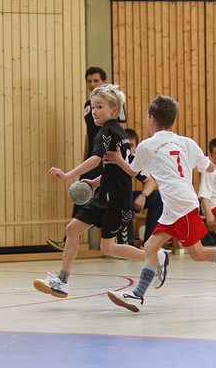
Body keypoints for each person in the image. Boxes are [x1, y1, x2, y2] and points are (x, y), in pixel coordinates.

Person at [104, 95, 216, 312]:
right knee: (151, 247)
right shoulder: (187, 142)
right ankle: (137, 294)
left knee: (197, 253)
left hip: (179, 204)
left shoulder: (147, 145)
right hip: (176, 204)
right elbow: (210, 168)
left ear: (151, 119)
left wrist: (117, 159)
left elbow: (133, 172)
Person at [34, 84, 167, 298]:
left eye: (99, 107)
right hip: (104, 194)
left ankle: (155, 257)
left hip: (116, 199)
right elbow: (113, 169)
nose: (94, 111)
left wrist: (67, 175)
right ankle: (62, 281)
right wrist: (96, 182)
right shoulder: (118, 132)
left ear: (114, 110)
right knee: (72, 230)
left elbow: (96, 160)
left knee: (108, 248)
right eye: (93, 107)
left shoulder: (106, 132)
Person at [46, 67, 127, 252]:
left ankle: (121, 241)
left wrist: (120, 155)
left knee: (110, 196)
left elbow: (119, 131)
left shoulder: (114, 111)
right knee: (83, 192)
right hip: (94, 155)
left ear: (104, 81)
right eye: (89, 81)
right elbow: (89, 136)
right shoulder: (87, 106)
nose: (92, 84)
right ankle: (71, 237)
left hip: (107, 157)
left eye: (96, 80)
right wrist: (86, 156)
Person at [125, 129, 163, 245]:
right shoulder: (111, 158)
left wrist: (143, 195)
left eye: (131, 146)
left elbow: (151, 182)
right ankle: (127, 244)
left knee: (157, 197)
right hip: (111, 199)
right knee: (123, 201)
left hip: (126, 198)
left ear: (136, 147)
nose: (128, 149)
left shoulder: (133, 160)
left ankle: (149, 244)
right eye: (126, 145)